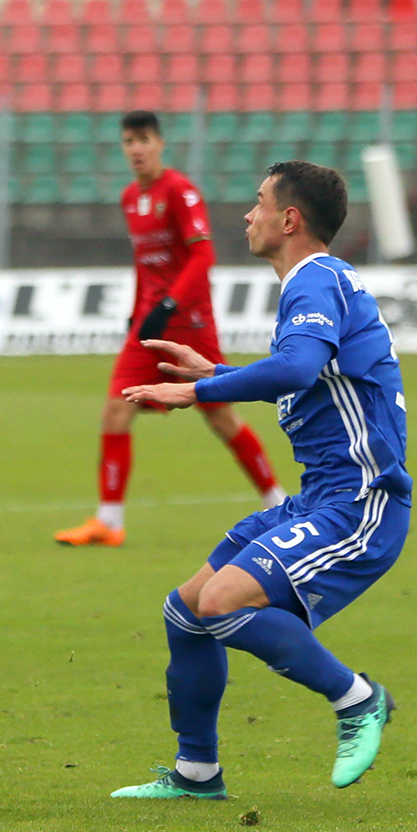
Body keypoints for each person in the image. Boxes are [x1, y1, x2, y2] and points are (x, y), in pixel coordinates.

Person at [109, 162, 407, 799]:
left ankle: (358, 699)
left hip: (360, 503)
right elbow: (308, 377)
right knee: (188, 610)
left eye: (259, 203)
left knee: (223, 602)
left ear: (289, 219)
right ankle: (197, 774)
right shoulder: (319, 283)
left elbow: (296, 370)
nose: (248, 215)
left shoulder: (314, 279)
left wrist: (198, 390)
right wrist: (213, 370)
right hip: (318, 497)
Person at [55, 110, 284, 548]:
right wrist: (136, 312)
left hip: (188, 323)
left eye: (144, 139)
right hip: (149, 322)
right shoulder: (129, 197)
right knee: (116, 408)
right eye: (129, 141)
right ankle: (109, 521)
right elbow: (144, 263)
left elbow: (202, 257)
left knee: (220, 416)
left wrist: (169, 303)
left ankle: (277, 501)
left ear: (160, 144)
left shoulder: (180, 191)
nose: (136, 149)